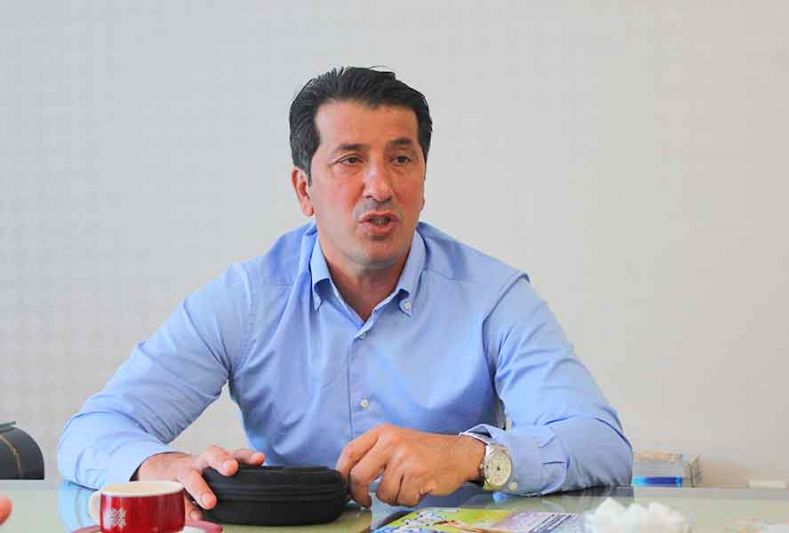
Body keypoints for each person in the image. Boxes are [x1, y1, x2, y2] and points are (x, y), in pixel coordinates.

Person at [58, 67, 632, 520]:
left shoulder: (493, 297)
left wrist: (472, 456)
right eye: (350, 160)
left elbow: (600, 444)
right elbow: (91, 430)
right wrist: (160, 465)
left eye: (401, 159)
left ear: (423, 181)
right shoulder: (249, 298)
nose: (379, 186)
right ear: (304, 190)